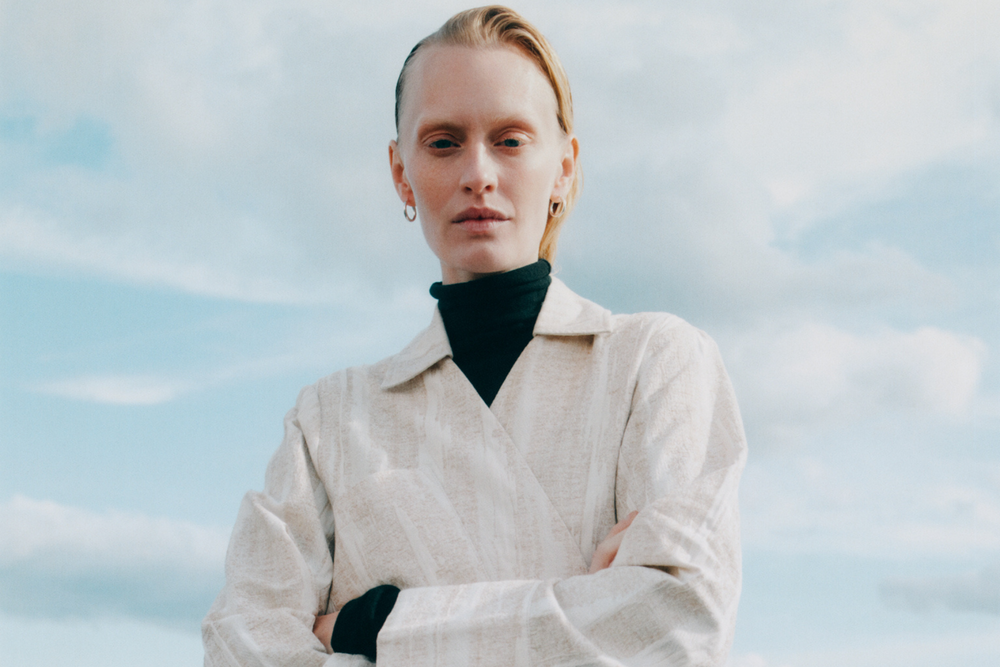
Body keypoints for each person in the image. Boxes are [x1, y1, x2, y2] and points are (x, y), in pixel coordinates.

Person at [202, 6, 747, 666]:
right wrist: (590, 612)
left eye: (511, 140)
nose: (478, 173)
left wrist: (376, 626)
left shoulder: (655, 363)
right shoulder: (329, 421)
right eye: (443, 142)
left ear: (564, 167)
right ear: (400, 171)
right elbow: (240, 645)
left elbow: (677, 621)